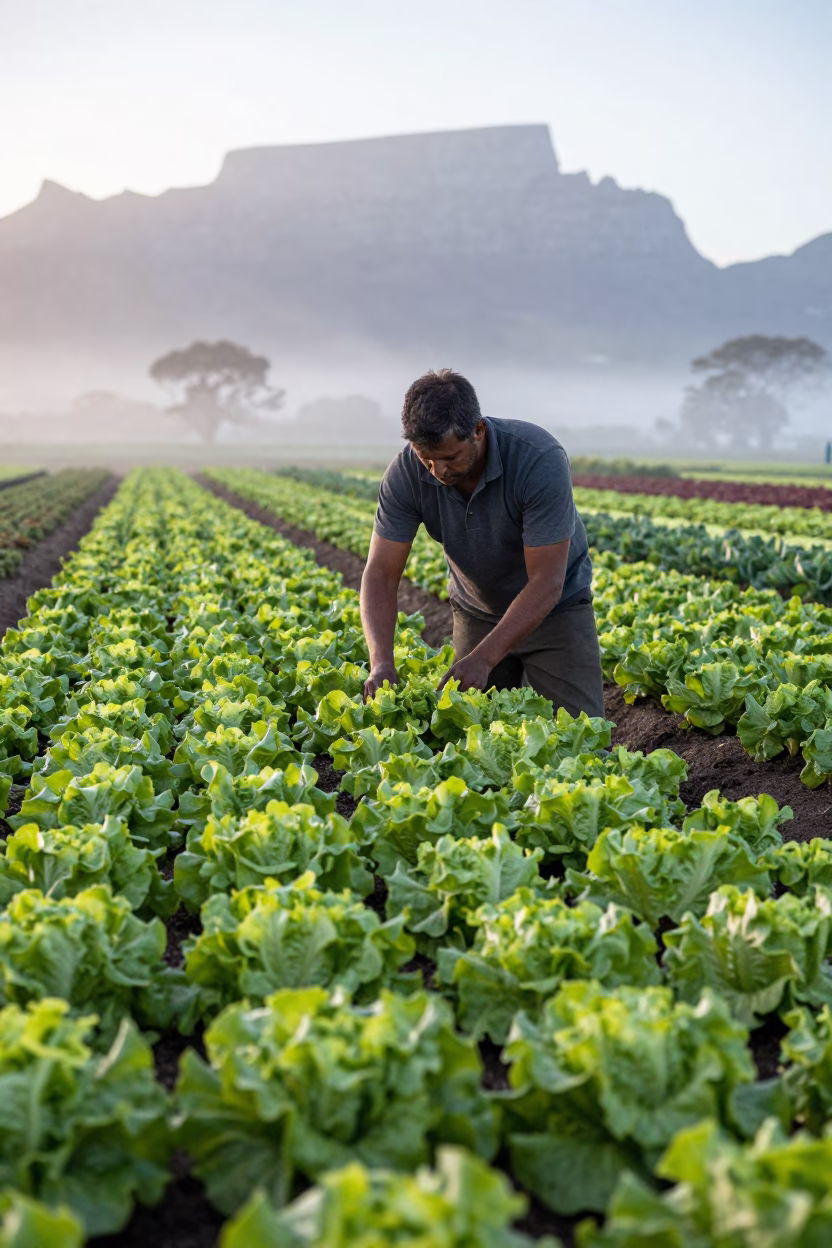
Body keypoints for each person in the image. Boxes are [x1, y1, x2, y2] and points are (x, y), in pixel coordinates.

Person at [360, 368, 605, 718]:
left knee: (583, 735)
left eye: (449, 458)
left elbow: (547, 582)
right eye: (425, 458)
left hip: (557, 610)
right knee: (472, 738)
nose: (437, 471)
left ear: (478, 430)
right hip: (478, 611)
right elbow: (381, 573)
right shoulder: (404, 473)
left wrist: (483, 660)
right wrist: (381, 662)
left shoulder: (537, 458)